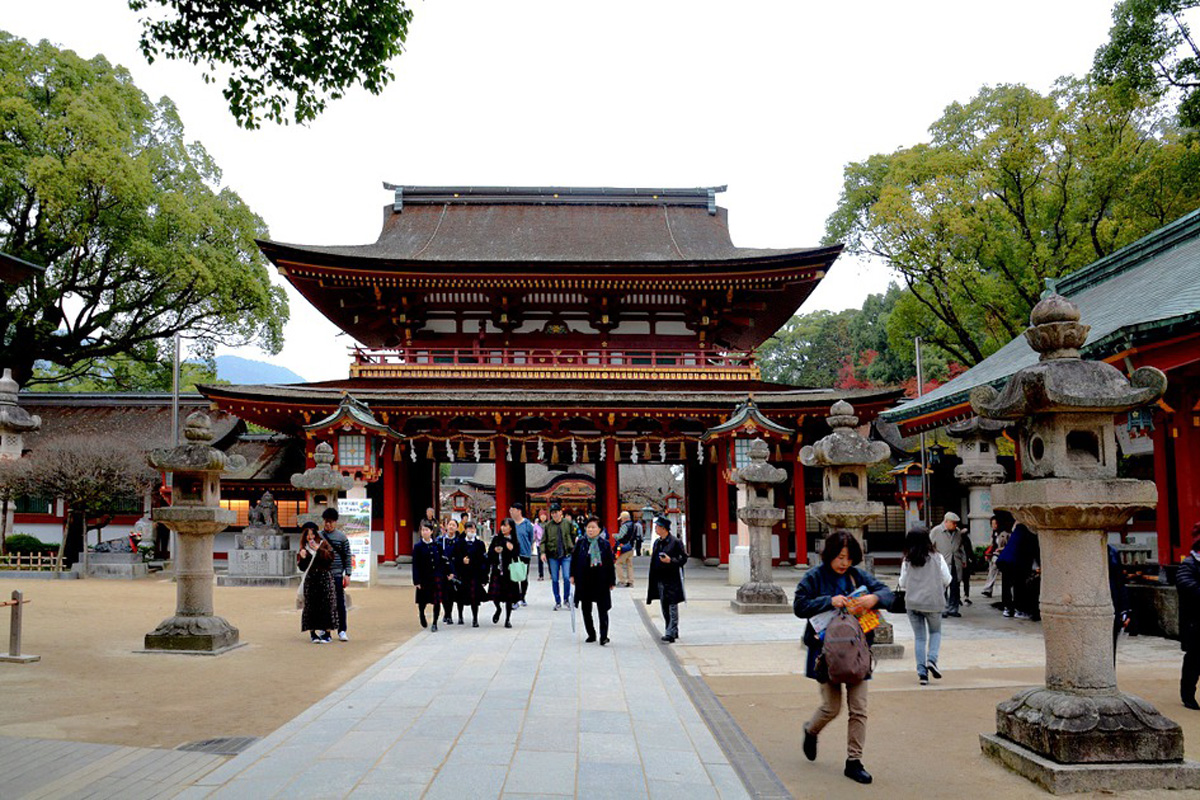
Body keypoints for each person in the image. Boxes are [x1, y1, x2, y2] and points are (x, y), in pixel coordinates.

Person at [794, 531, 893, 785]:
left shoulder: (857, 576)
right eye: (840, 557)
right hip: (826, 655)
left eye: (848, 558)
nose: (844, 563)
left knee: (859, 708)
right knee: (832, 707)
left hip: (857, 654)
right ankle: (811, 730)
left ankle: (854, 761)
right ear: (829, 554)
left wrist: (873, 598)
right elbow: (799, 606)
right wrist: (829, 601)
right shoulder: (814, 577)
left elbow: (887, 593)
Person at [898, 525, 951, 685]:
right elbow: (947, 579)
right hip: (933, 602)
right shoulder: (937, 557)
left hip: (912, 602)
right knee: (935, 632)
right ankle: (932, 660)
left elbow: (902, 583)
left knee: (920, 638)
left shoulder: (907, 560)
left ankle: (922, 674)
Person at [571, 516, 616, 644]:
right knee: (586, 609)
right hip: (584, 580)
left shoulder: (605, 544)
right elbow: (574, 560)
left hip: (600, 580)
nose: (590, 530)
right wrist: (572, 575)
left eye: (593, 527)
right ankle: (591, 634)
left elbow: (610, 563)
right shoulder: (581, 542)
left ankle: (603, 636)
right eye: (588, 527)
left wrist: (611, 580)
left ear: (599, 529)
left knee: (603, 609)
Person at [646, 516, 686, 643]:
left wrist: (671, 561)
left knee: (672, 604)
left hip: (672, 578)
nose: (656, 529)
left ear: (664, 528)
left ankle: (671, 632)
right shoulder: (657, 543)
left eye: (657, 527)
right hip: (660, 578)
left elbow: (683, 558)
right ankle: (671, 629)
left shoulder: (675, 542)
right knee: (664, 605)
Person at [297, 522, 338, 643]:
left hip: (325, 578)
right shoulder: (304, 549)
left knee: (326, 605)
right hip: (311, 580)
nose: (310, 537)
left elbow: (330, 559)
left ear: (316, 534)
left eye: (312, 534)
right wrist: (302, 558)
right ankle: (313, 633)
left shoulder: (323, 544)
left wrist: (318, 550)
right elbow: (303, 568)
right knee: (311, 606)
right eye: (307, 535)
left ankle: (327, 633)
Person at [321, 508, 353, 641]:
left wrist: (348, 574)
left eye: (330, 522)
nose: (328, 524)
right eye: (326, 521)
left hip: (337, 574)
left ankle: (342, 630)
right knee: (324, 603)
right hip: (323, 574)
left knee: (339, 603)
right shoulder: (319, 536)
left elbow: (347, 555)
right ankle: (325, 630)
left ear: (335, 522)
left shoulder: (341, 537)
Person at [1177, 524, 1200, 709]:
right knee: (1194, 659)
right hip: (1195, 621)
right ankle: (1188, 695)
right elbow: (1185, 584)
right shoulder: (1189, 564)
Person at [997, 522, 1040, 619]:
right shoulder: (1030, 534)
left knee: (1006, 586)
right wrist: (1039, 566)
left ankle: (1008, 608)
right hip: (1016, 563)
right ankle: (1019, 610)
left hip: (1004, 560)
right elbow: (1034, 552)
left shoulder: (1016, 532)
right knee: (1019, 585)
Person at [540, 502, 577, 609]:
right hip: (553, 555)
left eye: (556, 512)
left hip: (566, 554)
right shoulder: (548, 526)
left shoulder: (568, 523)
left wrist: (572, 547)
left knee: (566, 577)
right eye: (552, 513)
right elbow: (543, 541)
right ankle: (557, 600)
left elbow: (573, 535)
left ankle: (566, 599)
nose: (554, 515)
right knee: (555, 579)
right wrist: (543, 552)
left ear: (561, 512)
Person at [488, 517, 521, 627]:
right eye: (502, 525)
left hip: (509, 572)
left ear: (511, 528)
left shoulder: (514, 541)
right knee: (495, 594)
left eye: (505, 526)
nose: (503, 528)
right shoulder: (496, 539)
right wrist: (494, 551)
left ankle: (507, 619)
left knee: (509, 597)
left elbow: (517, 555)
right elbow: (489, 553)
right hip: (497, 570)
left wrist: (512, 550)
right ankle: (498, 609)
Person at [930, 511, 964, 617]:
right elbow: (929, 547)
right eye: (953, 523)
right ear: (946, 522)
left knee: (955, 587)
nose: (955, 525)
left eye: (956, 523)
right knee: (942, 587)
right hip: (941, 563)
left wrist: (964, 560)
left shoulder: (958, 532)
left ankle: (953, 609)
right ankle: (942, 609)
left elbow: (961, 547)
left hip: (955, 562)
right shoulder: (936, 531)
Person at [455, 521, 489, 627]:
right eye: (469, 529)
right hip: (463, 574)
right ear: (465, 531)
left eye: (473, 529)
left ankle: (475, 618)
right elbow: (455, 558)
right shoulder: (459, 543)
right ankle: (460, 616)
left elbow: (484, 561)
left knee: (475, 597)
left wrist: (484, 577)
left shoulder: (480, 544)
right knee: (461, 596)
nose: (471, 531)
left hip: (475, 574)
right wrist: (462, 560)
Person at [412, 520, 444, 631]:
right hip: (423, 578)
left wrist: (445, 573)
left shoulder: (437, 545)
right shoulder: (418, 547)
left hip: (436, 577)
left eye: (426, 530)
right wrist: (416, 580)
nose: (424, 532)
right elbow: (415, 564)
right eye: (422, 530)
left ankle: (435, 622)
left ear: (431, 532)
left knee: (437, 602)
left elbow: (443, 560)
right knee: (422, 601)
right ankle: (421, 613)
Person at [980, 511, 1013, 599]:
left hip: (1003, 555)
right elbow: (992, 545)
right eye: (992, 524)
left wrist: (1000, 549)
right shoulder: (994, 534)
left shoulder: (1005, 534)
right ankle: (988, 589)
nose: (993, 526)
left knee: (997, 570)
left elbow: (1008, 546)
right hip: (996, 554)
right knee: (992, 569)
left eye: (995, 524)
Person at [436, 518, 461, 624]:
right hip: (443, 570)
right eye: (449, 524)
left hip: (455, 569)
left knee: (452, 593)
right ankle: (446, 613)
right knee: (444, 593)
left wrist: (454, 572)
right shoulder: (440, 540)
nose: (451, 527)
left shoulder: (459, 541)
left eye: (453, 525)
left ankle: (450, 614)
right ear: (446, 526)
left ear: (457, 528)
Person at [511, 503, 535, 606]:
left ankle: (522, 596)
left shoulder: (527, 524)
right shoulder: (511, 523)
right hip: (513, 554)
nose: (511, 512)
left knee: (523, 577)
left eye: (513, 510)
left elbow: (531, 537)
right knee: (514, 576)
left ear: (519, 511)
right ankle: (516, 598)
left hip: (525, 553)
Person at [615, 510, 638, 588]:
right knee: (629, 565)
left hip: (624, 547)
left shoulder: (624, 526)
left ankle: (622, 581)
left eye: (621, 519)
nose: (621, 520)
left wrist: (615, 536)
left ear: (624, 518)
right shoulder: (634, 525)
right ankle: (630, 581)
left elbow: (620, 536)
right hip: (631, 547)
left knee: (618, 563)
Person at [534, 508, 547, 581]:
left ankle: (552, 573)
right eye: (541, 516)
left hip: (547, 544)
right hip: (539, 543)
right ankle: (541, 575)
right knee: (540, 560)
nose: (543, 517)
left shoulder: (548, 524)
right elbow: (534, 534)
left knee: (550, 560)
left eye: (544, 515)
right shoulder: (536, 525)